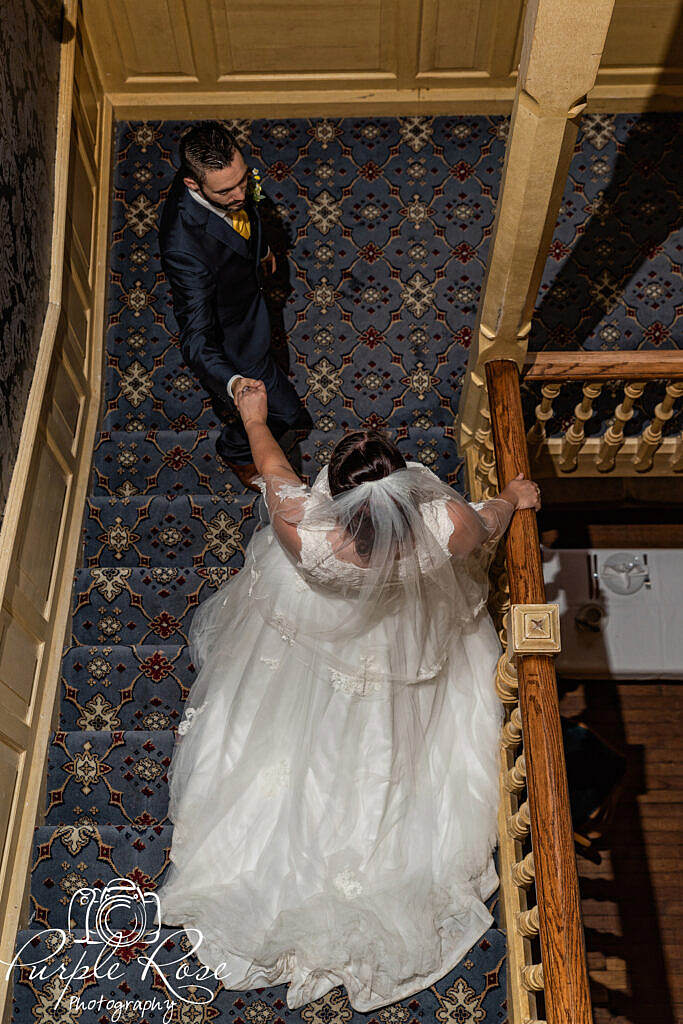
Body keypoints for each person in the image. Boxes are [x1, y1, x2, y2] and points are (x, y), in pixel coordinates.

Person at [155, 377, 541, 1012]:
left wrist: (254, 415)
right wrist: (513, 496)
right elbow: (490, 522)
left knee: (280, 736)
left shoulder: (306, 535)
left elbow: (273, 467)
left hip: (316, 638)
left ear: (336, 494)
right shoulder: (444, 528)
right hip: (400, 644)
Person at [158, 121, 309, 491]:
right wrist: (237, 382)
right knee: (287, 416)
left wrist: (262, 250)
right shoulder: (182, 247)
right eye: (227, 190)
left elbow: (249, 209)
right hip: (237, 340)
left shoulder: (233, 182)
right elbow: (195, 339)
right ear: (193, 184)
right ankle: (237, 450)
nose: (242, 192)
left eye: (244, 179)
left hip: (250, 293)